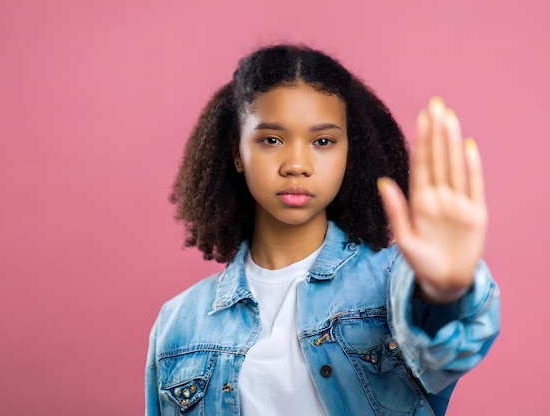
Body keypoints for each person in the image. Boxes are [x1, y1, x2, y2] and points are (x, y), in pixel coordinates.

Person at [145, 44, 500, 415]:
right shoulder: (177, 324)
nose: (297, 165)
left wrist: (446, 292)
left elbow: (453, 348)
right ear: (237, 151)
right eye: (271, 140)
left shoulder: (397, 281)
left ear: (350, 152)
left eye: (323, 142)